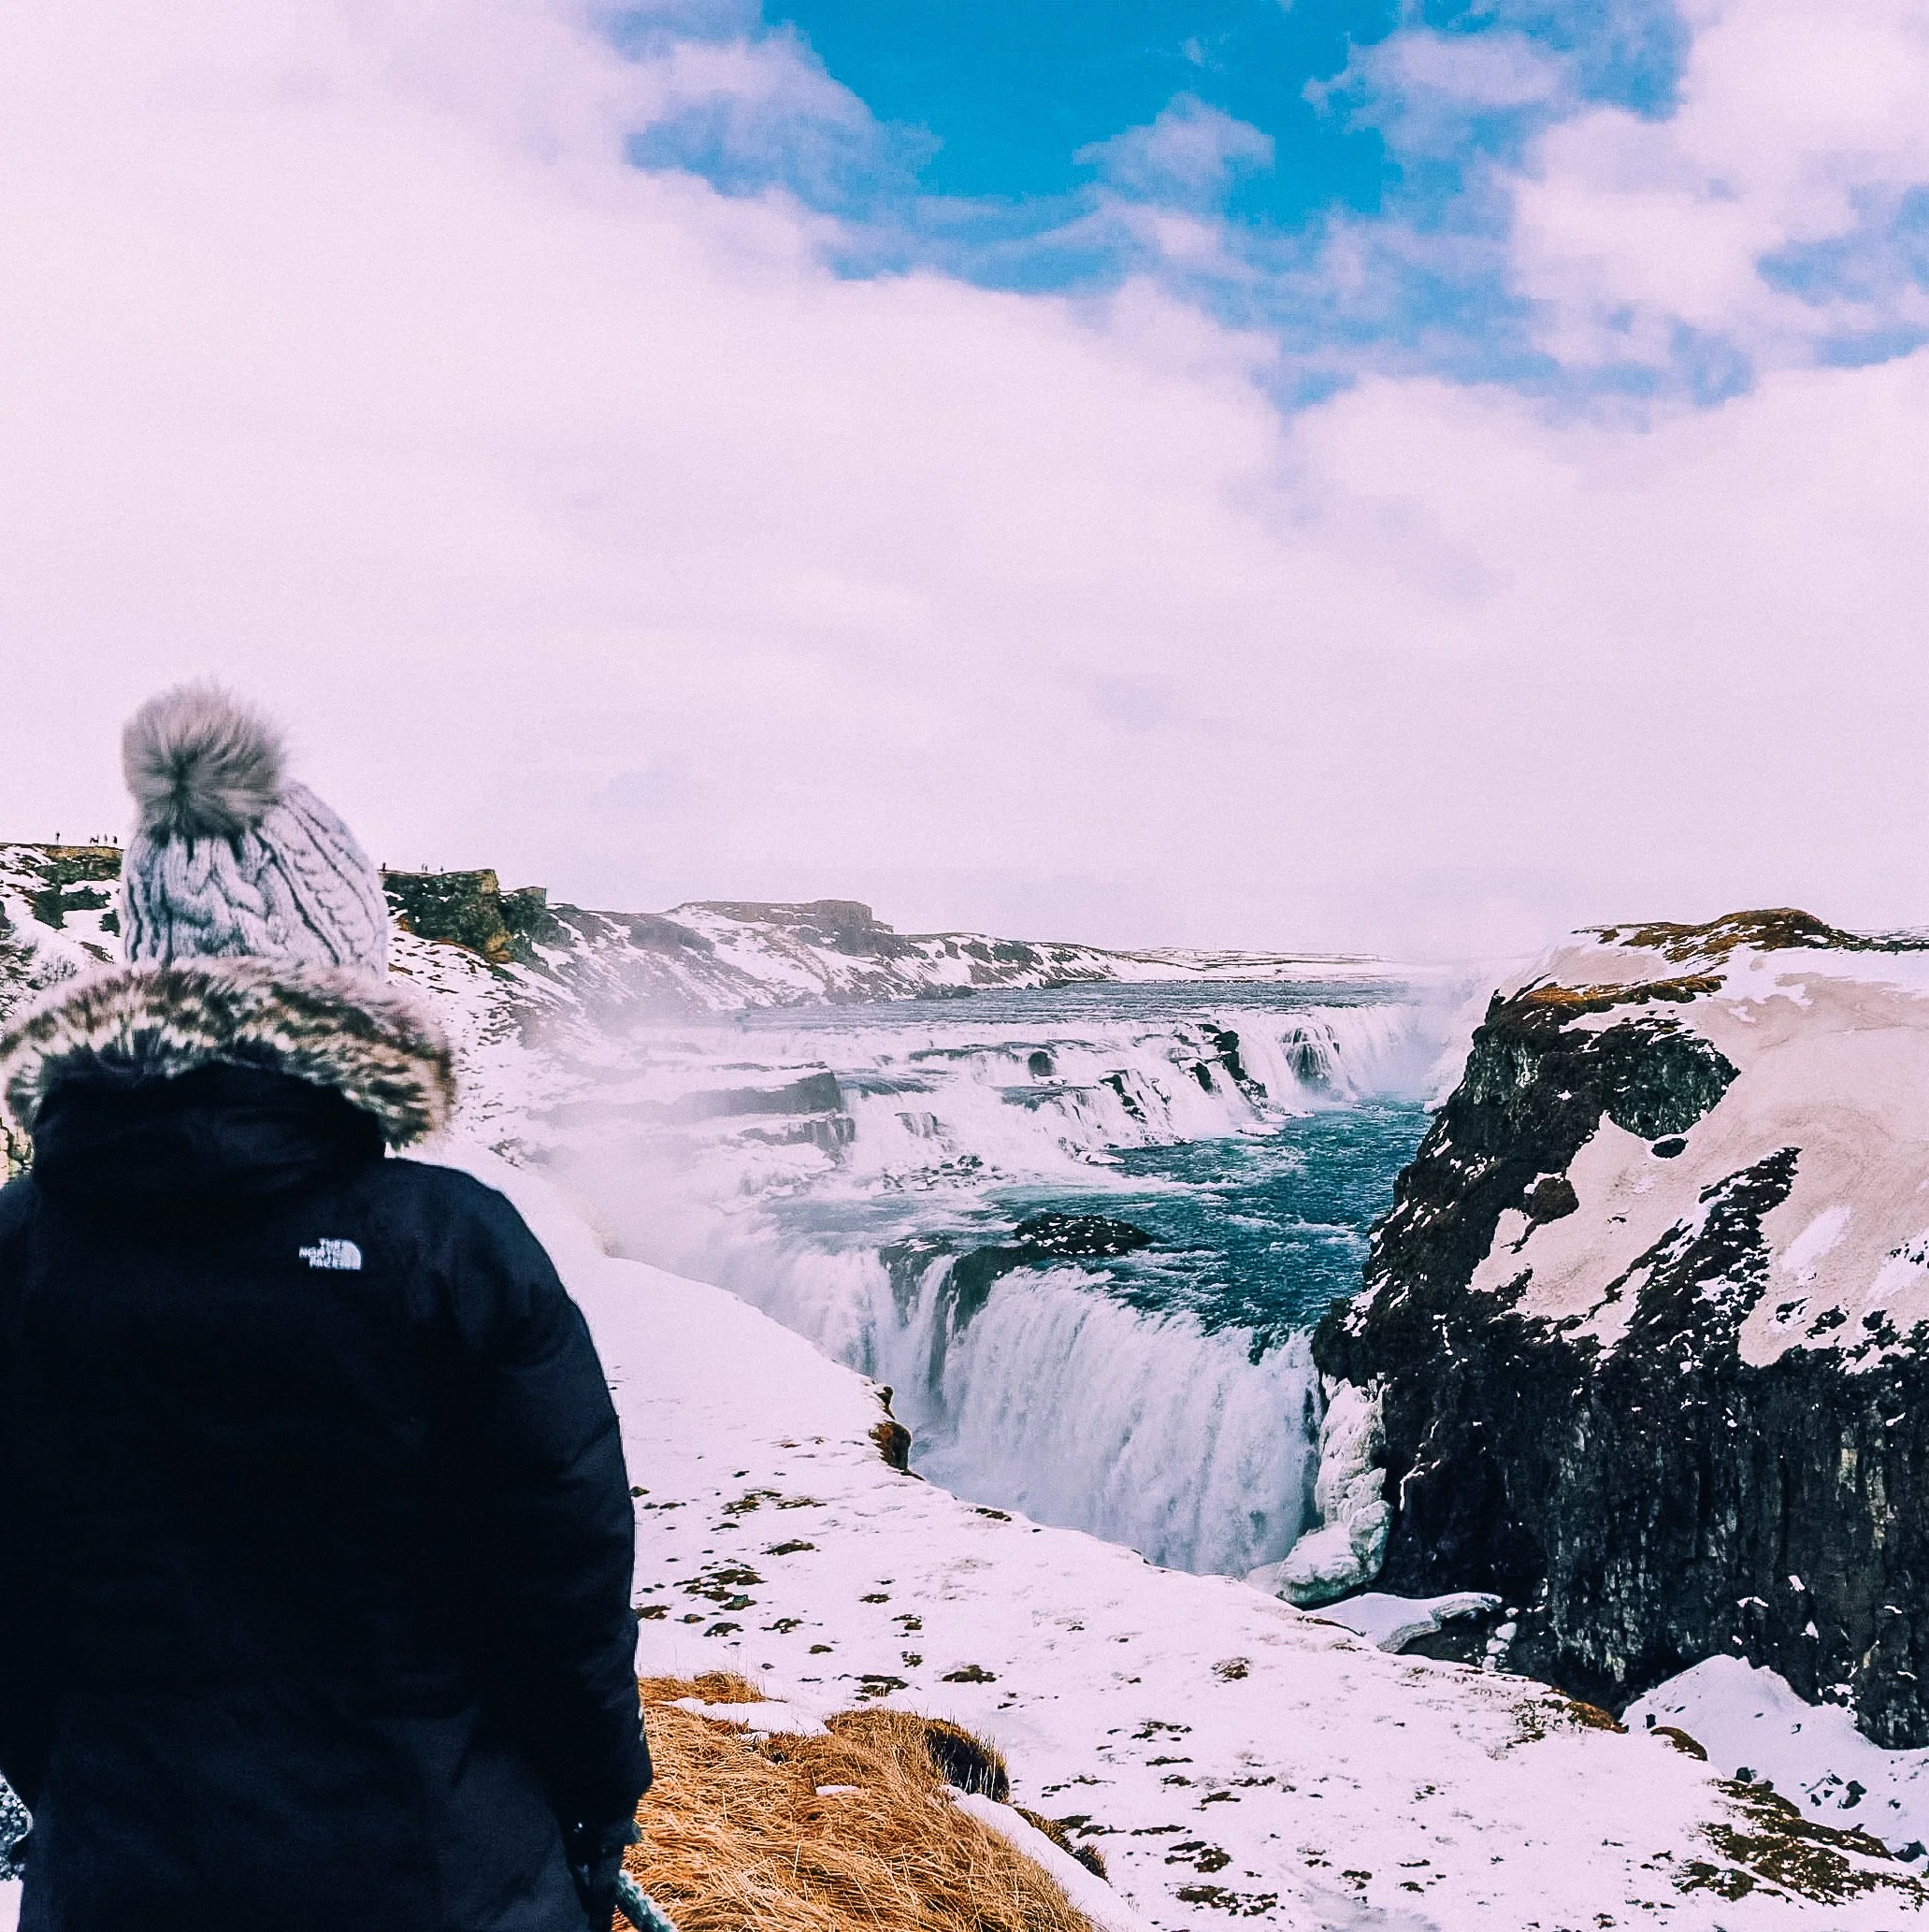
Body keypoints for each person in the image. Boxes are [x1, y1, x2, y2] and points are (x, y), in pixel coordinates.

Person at [0, 685, 651, 1931]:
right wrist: (593, 1798)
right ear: (342, 978)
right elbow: (560, 1582)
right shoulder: (449, 1245)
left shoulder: (21, 1247)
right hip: (438, 1866)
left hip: (122, 1871)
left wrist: (92, 1782)